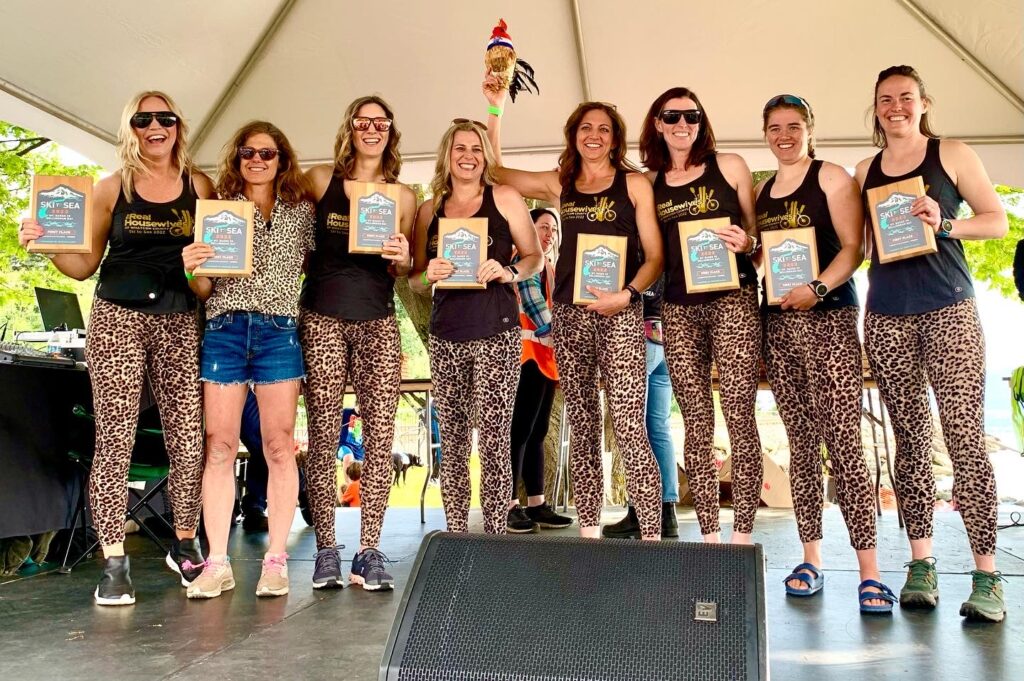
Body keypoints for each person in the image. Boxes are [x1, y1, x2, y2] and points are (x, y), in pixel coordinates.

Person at [19, 91, 210, 605]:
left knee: (189, 438)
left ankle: (185, 542)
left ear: (177, 126)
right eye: (143, 119)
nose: (155, 126)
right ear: (130, 128)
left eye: (164, 118)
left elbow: (209, 279)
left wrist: (200, 269)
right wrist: (46, 243)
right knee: (115, 438)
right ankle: (113, 560)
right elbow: (82, 266)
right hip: (117, 319)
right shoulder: (109, 189)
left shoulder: (201, 186)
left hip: (178, 318)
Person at [855, 65, 1009, 622]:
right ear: (875, 109)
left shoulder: (952, 153)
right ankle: (921, 563)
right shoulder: (864, 169)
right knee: (910, 440)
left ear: (923, 102)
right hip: (887, 314)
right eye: (885, 99)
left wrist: (945, 224)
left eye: (905, 97)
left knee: (966, 438)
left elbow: (995, 221)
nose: (895, 106)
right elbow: (859, 244)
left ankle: (987, 574)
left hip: (949, 310)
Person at [483, 78, 665, 540]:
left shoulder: (635, 184)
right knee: (581, 423)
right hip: (569, 315)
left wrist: (628, 294)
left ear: (615, 137)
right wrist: (495, 108)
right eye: (586, 127)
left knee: (629, 424)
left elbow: (656, 256)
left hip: (620, 313)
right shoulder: (560, 184)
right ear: (574, 134)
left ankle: (651, 532)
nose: (595, 135)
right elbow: (495, 170)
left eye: (604, 129)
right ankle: (588, 533)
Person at [757, 94, 894, 613]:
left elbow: (854, 247)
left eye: (794, 125)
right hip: (779, 321)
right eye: (775, 127)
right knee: (800, 442)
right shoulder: (763, 189)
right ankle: (810, 557)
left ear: (809, 128)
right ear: (765, 133)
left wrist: (816, 288)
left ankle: (869, 570)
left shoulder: (833, 176)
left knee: (844, 443)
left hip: (830, 316)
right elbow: (763, 251)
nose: (784, 135)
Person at [181, 120, 314, 599]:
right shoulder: (218, 211)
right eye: (247, 153)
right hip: (224, 328)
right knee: (218, 446)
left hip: (280, 330)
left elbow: (325, 264)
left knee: (279, 446)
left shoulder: (303, 212)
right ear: (235, 159)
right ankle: (217, 562)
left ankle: (275, 560)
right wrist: (192, 268)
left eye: (267, 153)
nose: (257, 160)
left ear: (282, 159)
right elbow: (202, 287)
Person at [635, 87, 764, 544]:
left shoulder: (729, 166)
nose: (682, 124)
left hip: (734, 302)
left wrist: (748, 244)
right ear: (657, 123)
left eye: (691, 115)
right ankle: (709, 537)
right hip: (679, 310)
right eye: (672, 116)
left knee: (740, 415)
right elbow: (648, 252)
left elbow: (755, 231)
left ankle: (742, 536)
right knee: (695, 421)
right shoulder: (649, 183)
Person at [299, 95, 417, 591]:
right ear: (350, 127)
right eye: (363, 121)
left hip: (377, 319)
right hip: (322, 316)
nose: (372, 129)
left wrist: (405, 256)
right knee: (324, 433)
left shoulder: (403, 196)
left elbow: (407, 271)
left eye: (381, 122)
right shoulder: (319, 179)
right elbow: (294, 243)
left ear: (391, 131)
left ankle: (368, 549)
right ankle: (327, 547)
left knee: (382, 435)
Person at [409, 119, 543, 535]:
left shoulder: (503, 197)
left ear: (485, 155)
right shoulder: (429, 210)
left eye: (476, 149)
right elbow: (413, 277)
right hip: (446, 334)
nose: (468, 156)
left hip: (496, 332)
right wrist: (428, 273)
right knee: (452, 440)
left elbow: (534, 257)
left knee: (494, 439)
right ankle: (455, 535)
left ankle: (496, 535)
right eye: (459, 149)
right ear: (446, 155)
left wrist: (507, 270)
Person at [507, 207, 573, 532]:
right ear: (527, 228)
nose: (549, 234)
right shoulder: (525, 260)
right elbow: (533, 303)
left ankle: (536, 503)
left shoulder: (548, 266)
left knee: (537, 433)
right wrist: (565, 335)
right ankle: (508, 505)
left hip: (545, 359)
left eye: (553, 230)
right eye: (544, 227)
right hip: (526, 356)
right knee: (519, 431)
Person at [603, 275, 680, 539]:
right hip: (664, 334)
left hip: (640, 336)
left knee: (633, 426)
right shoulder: (664, 249)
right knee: (659, 427)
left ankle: (639, 510)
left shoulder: (641, 249)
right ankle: (667, 512)